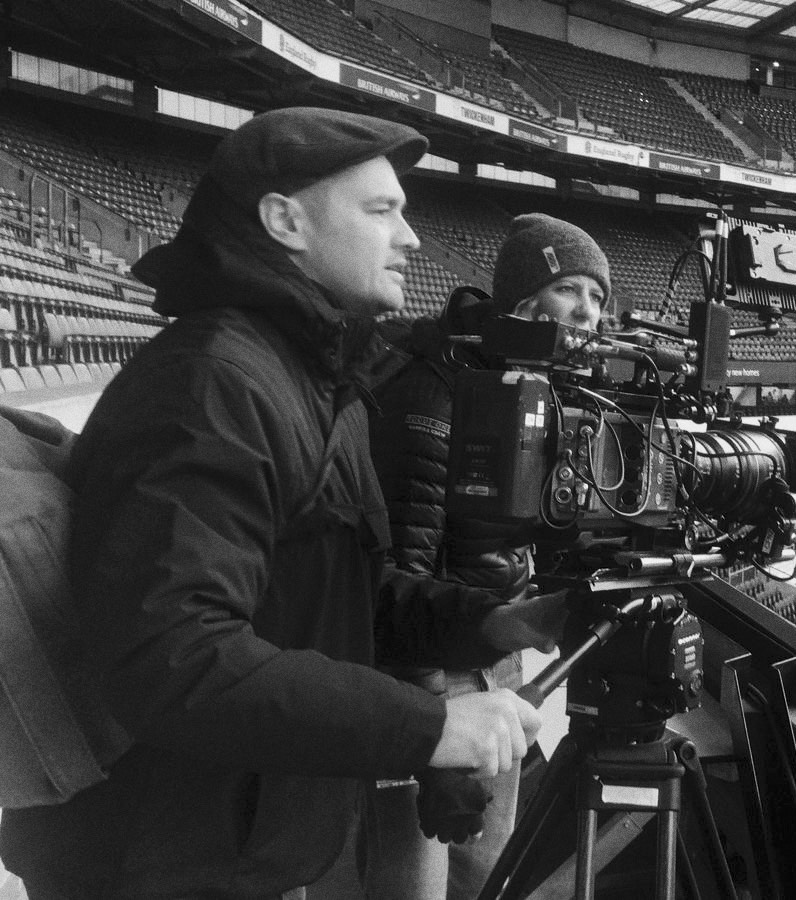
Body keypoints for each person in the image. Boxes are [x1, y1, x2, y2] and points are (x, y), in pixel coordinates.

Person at [0, 107, 562, 899]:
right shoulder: (213, 383)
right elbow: (174, 654)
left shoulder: (316, 380)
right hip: (162, 863)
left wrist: (487, 622)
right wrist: (426, 728)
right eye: (382, 211)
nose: (412, 239)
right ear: (284, 219)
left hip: (246, 847)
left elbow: (334, 600)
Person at [368, 213, 609, 899]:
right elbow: (401, 576)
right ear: (524, 300)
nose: (587, 313)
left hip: (496, 661)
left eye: (597, 297)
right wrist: (431, 743)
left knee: (482, 876)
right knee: (412, 882)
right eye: (571, 290)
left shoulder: (527, 385)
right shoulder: (436, 385)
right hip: (431, 673)